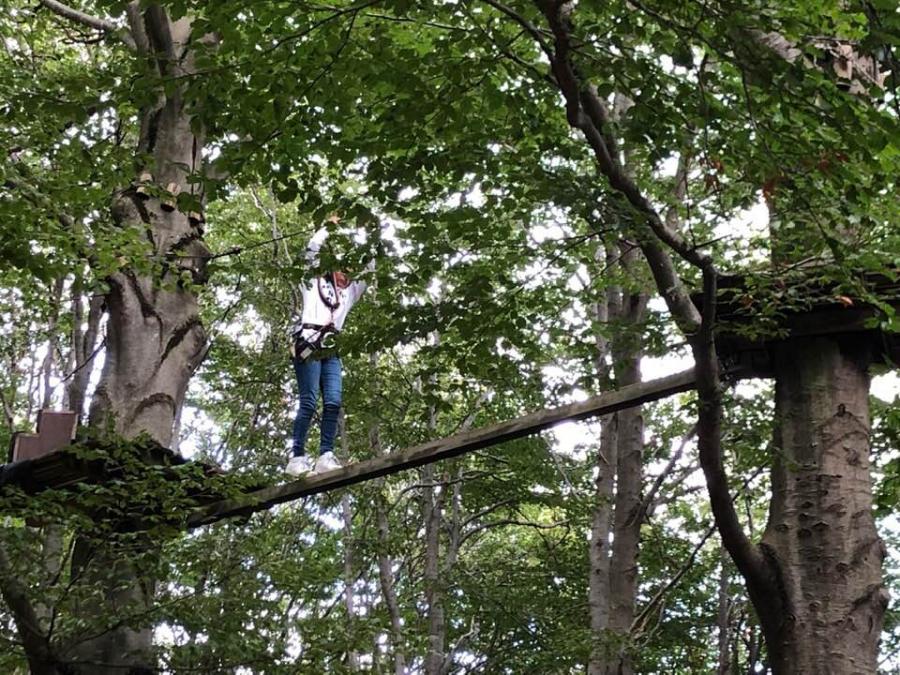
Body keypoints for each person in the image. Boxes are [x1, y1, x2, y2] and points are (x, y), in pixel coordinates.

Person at [286, 218, 369, 477]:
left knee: (333, 401)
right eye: (342, 269)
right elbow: (311, 251)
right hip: (309, 342)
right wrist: (329, 228)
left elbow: (370, 269)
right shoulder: (313, 283)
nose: (346, 274)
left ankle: (325, 454)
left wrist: (365, 232)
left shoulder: (349, 294)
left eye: (350, 270)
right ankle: (297, 458)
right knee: (309, 402)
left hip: (331, 349)